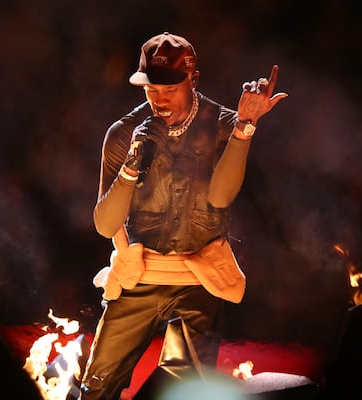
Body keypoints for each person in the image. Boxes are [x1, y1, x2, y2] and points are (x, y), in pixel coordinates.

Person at [80, 32, 288, 400]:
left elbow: (221, 196)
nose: (159, 98)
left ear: (192, 80)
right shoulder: (125, 134)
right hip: (140, 276)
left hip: (199, 278)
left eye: (170, 87)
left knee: (186, 385)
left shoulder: (223, 123)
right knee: (96, 385)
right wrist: (133, 163)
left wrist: (244, 128)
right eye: (151, 88)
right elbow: (105, 225)